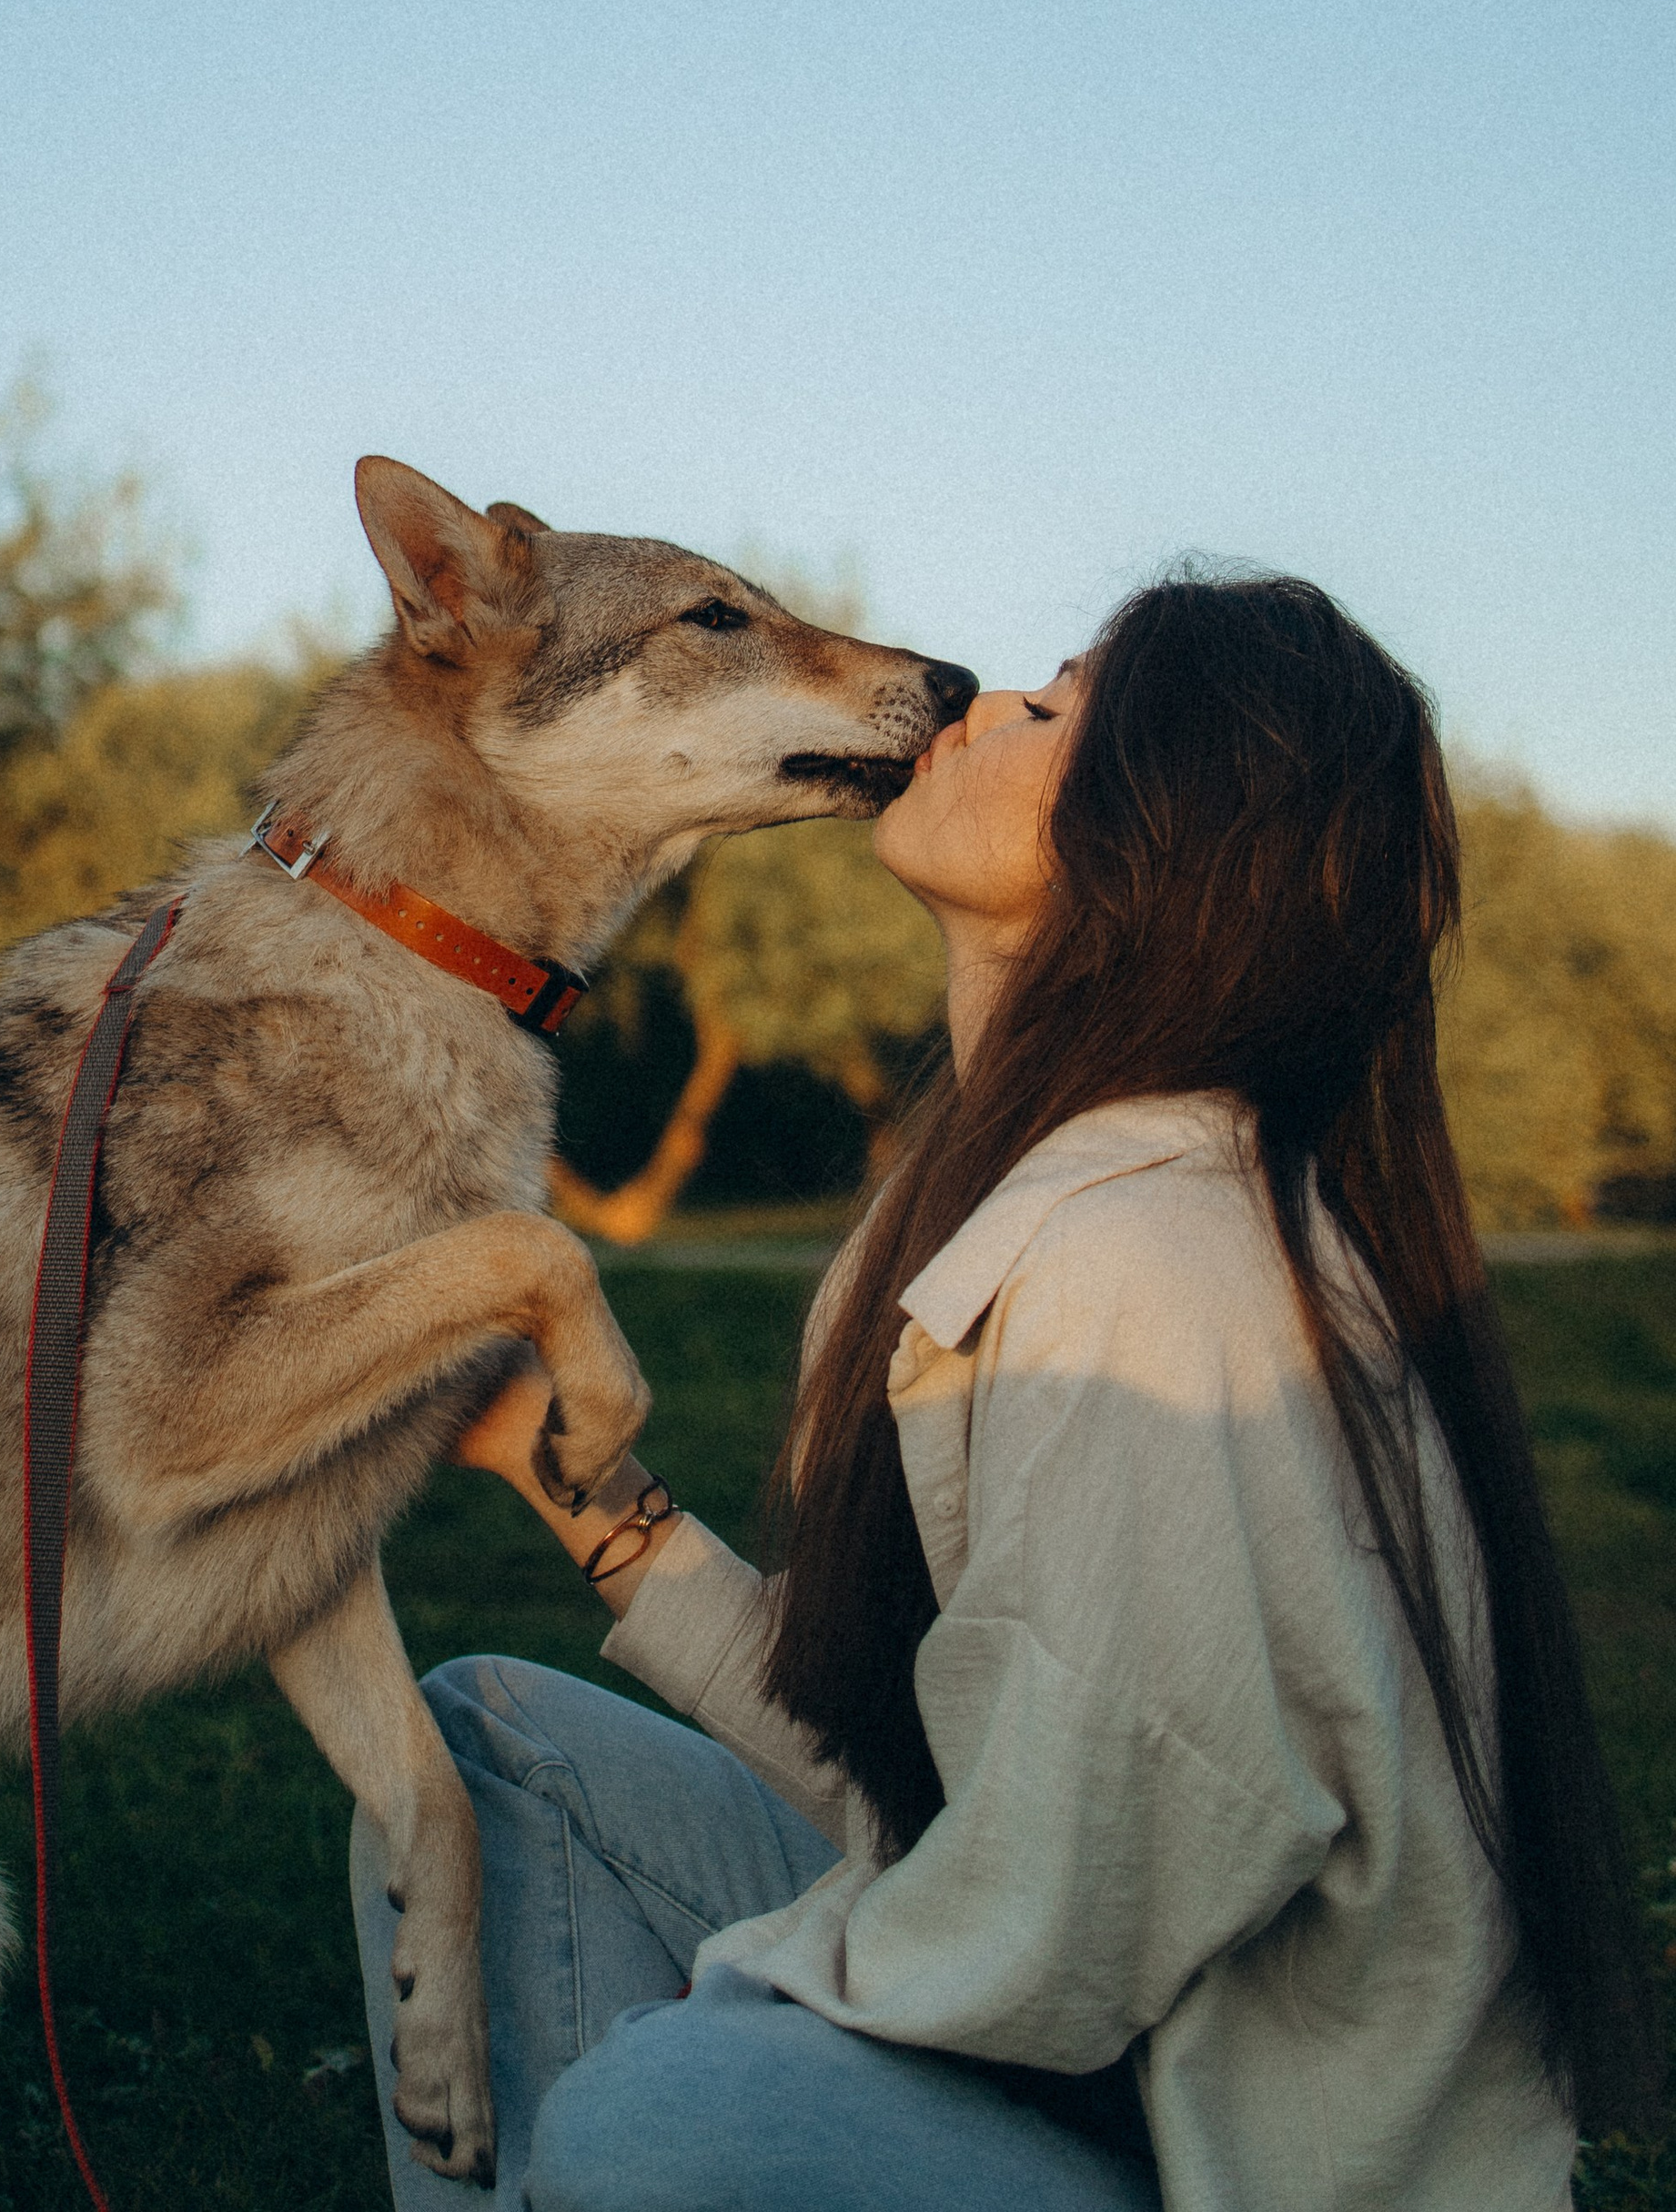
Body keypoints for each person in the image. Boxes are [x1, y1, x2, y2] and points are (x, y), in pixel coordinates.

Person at [350, 572, 1653, 2210]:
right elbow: (926, 1777)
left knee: (658, 2114)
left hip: (1213, 2155)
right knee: (482, 1754)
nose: (977, 708)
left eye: (1055, 708)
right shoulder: (997, 1200)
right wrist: (571, 1481)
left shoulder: (1151, 1268)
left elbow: (1078, 1907)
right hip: (1082, 2050)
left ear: (1160, 839)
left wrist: (743, 2001)